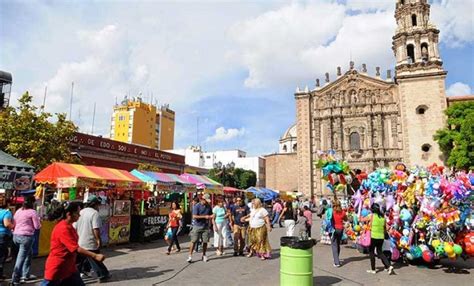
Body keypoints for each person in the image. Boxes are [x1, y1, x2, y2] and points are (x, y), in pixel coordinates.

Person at [41, 201, 105, 286]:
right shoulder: (63, 228)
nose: (79, 215)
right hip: (58, 267)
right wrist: (95, 255)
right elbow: (75, 248)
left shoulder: (69, 226)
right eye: (77, 213)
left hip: (70, 267)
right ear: (69, 214)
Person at [75, 196, 110, 282]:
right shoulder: (94, 213)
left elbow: (74, 226)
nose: (98, 207)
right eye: (98, 205)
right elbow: (96, 228)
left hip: (79, 241)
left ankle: (80, 272)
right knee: (95, 259)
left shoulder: (80, 212)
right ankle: (102, 275)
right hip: (90, 241)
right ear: (94, 204)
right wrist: (98, 239)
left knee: (79, 261)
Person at [11, 196, 41, 285]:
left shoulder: (18, 211)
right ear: (32, 204)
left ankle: (25, 274)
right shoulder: (32, 212)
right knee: (21, 258)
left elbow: (14, 222)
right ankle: (15, 279)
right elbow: (37, 226)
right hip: (26, 237)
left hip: (16, 236)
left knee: (28, 254)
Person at [367, 203, 393, 275]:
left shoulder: (372, 216)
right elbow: (386, 228)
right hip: (381, 237)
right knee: (380, 252)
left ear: (372, 209)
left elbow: (368, 224)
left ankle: (373, 269)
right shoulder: (383, 217)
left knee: (371, 251)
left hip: (373, 236)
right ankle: (389, 266)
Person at [187, 194, 212, 263]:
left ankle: (204, 255)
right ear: (202, 199)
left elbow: (211, 214)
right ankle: (190, 256)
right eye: (206, 201)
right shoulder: (197, 206)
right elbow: (194, 216)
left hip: (205, 226)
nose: (207, 202)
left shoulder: (208, 206)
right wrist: (204, 217)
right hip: (197, 226)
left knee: (205, 241)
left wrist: (212, 216)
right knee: (193, 241)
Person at [0, 201, 14, 281]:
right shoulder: (6, 212)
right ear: (7, 204)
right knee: (2, 255)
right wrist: (14, 226)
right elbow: (7, 224)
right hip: (2, 235)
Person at [330, 199, 346, 267]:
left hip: (334, 229)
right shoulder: (342, 212)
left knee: (334, 245)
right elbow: (346, 219)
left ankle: (336, 262)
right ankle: (337, 258)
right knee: (338, 244)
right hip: (341, 229)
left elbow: (329, 220)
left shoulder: (332, 212)